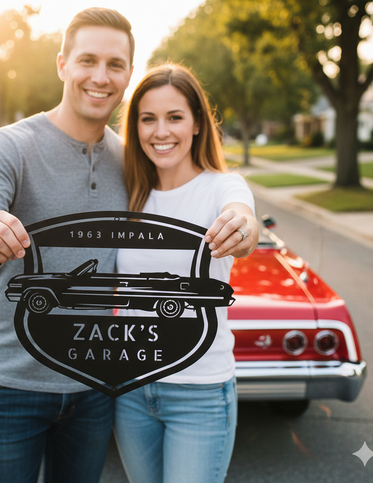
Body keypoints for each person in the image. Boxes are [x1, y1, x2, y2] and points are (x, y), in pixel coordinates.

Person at [0, 7, 134, 483]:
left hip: (94, 384)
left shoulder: (131, 160)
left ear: (129, 72)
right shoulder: (10, 145)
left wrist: (239, 212)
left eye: (115, 64)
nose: (100, 76)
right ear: (62, 65)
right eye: (87, 60)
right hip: (10, 384)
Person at [114, 63, 259, 483]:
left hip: (200, 392)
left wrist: (241, 227)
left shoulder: (221, 187)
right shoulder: (129, 194)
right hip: (132, 389)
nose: (161, 131)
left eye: (175, 117)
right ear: (135, 127)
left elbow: (243, 221)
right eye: (148, 119)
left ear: (196, 123)